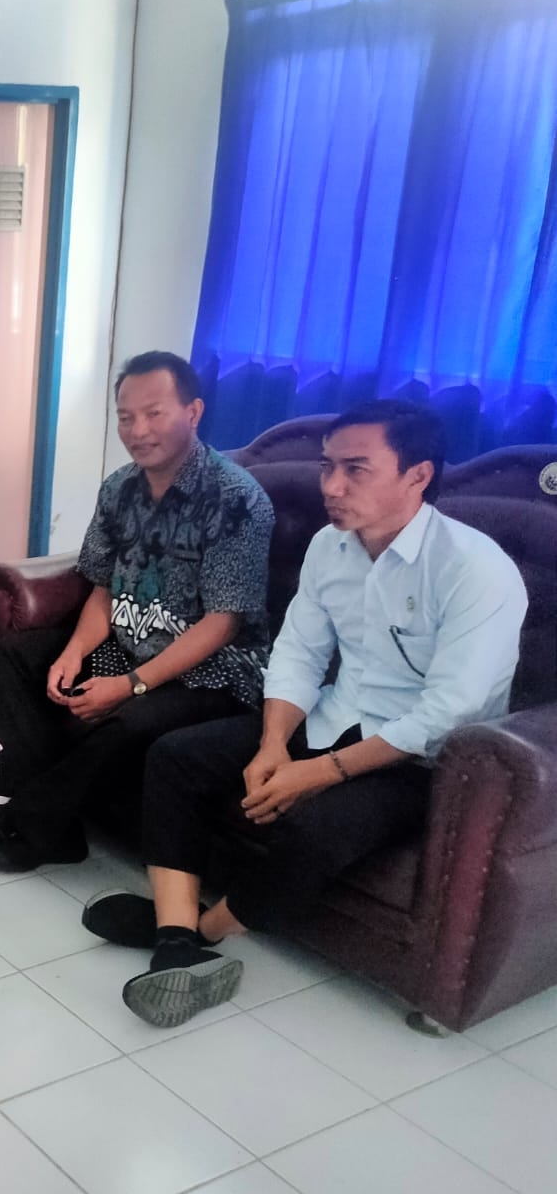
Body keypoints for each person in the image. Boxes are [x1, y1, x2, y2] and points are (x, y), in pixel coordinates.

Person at [85, 400, 528, 1028]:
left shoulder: (473, 569)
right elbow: (298, 653)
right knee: (177, 756)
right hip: (333, 714)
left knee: (318, 826)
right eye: (327, 467)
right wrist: (274, 744)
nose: (332, 487)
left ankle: (202, 935)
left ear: (418, 475)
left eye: (355, 469)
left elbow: (448, 712)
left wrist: (316, 773)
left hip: (422, 759)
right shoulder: (331, 546)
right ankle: (175, 934)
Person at [0, 351, 275, 872]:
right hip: (127, 648)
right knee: (13, 654)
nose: (137, 430)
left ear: (193, 412)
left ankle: (26, 826)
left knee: (129, 718)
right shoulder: (120, 487)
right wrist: (74, 652)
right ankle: (51, 824)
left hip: (212, 673)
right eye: (125, 417)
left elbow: (224, 622)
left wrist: (131, 685)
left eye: (154, 413)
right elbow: (104, 584)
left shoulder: (235, 498)